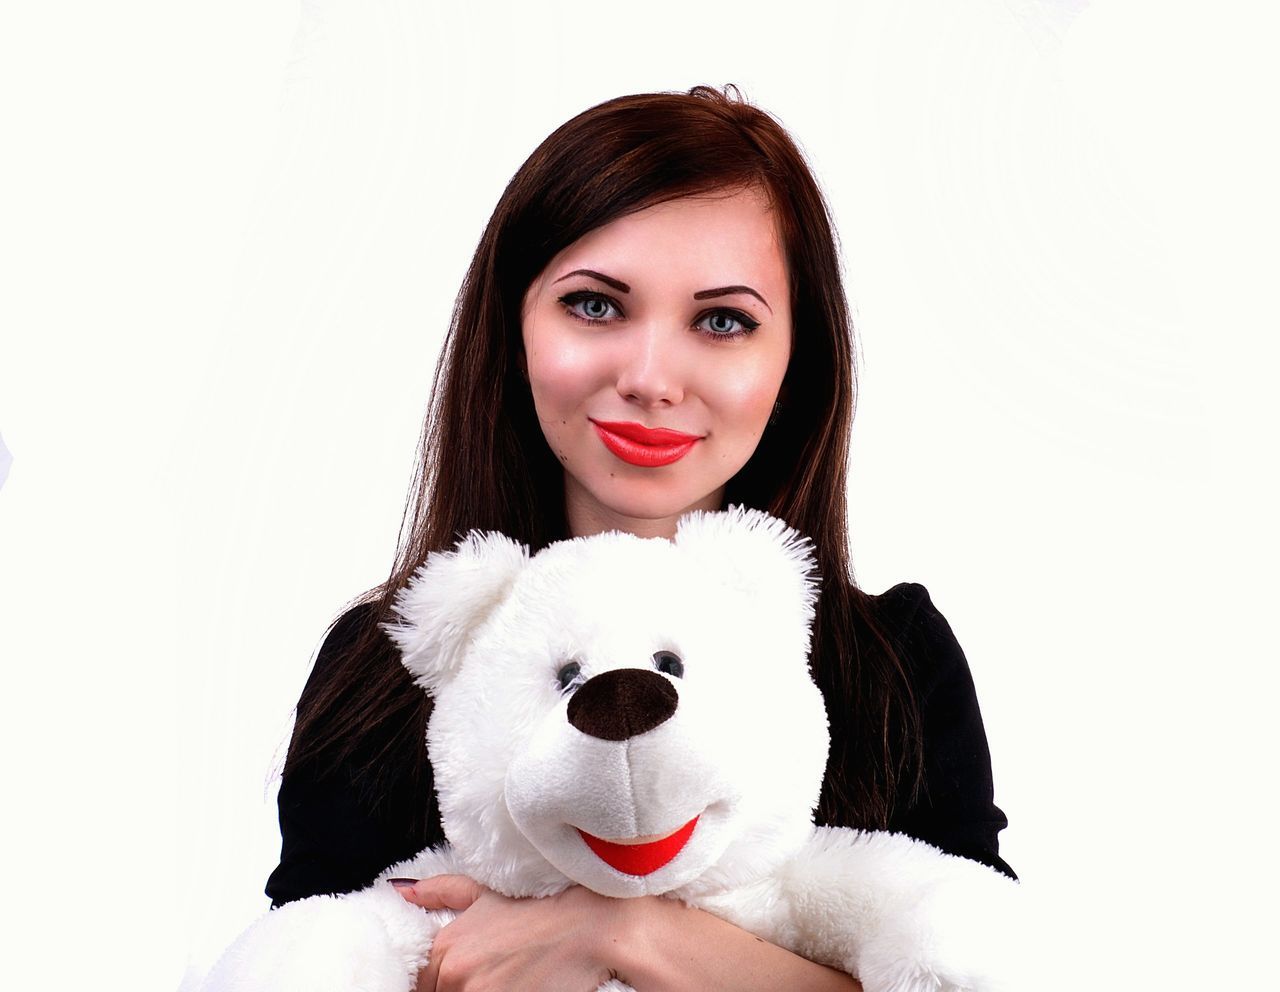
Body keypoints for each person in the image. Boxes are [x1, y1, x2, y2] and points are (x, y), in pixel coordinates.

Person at [266, 85, 1015, 991]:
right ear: (514, 329)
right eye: (594, 306)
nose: (652, 378)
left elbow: (988, 963)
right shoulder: (380, 673)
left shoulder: (894, 665)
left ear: (794, 362)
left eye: (723, 320)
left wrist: (620, 933)